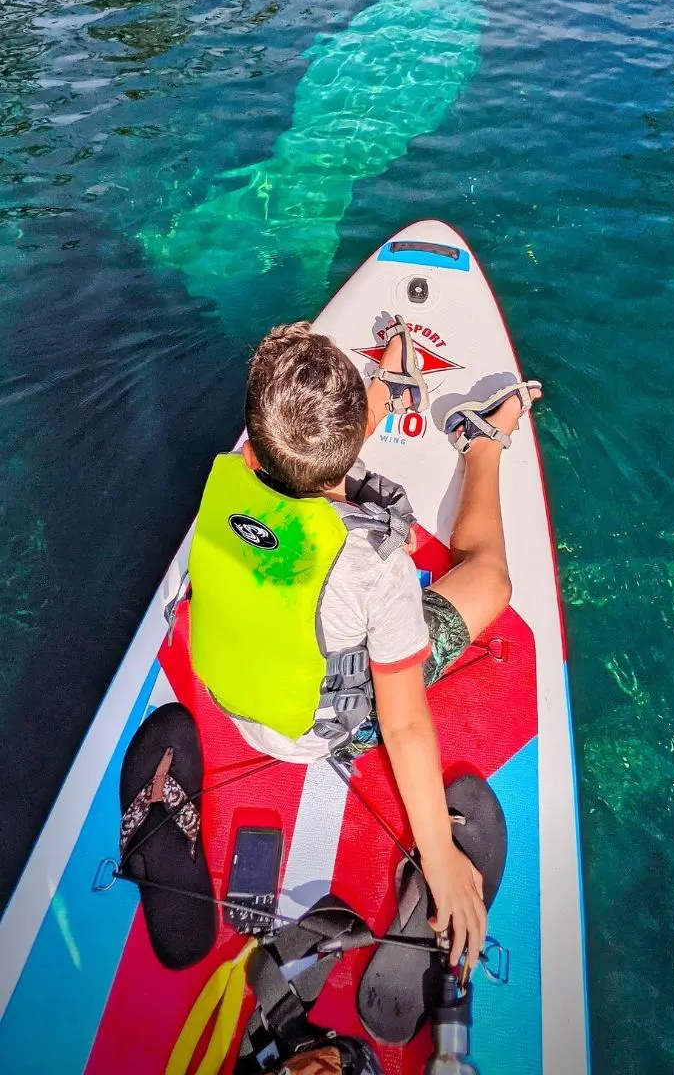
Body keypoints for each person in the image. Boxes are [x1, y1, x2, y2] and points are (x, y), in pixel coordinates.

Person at [189, 319, 539, 972]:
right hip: (322, 732)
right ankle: (481, 443)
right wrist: (439, 859)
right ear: (352, 457)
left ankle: (386, 392)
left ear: (254, 451)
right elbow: (403, 723)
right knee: (489, 577)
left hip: (239, 705)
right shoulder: (375, 567)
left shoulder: (226, 480)